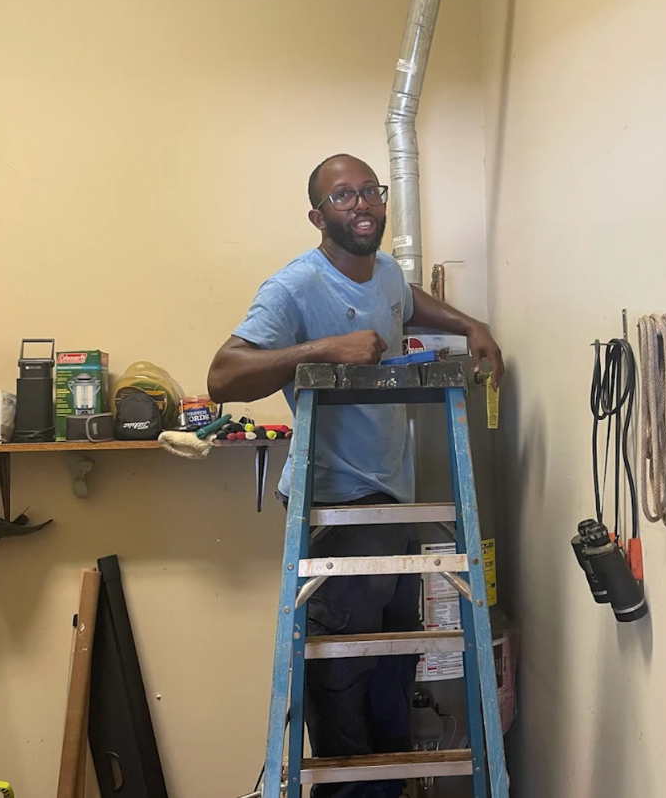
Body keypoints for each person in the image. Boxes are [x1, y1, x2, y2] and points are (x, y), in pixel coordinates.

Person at [208, 154, 504, 798]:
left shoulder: (388, 275)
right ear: (319, 217)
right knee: (345, 684)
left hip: (392, 505)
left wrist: (468, 324)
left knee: (394, 671)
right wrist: (318, 350)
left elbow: (404, 298)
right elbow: (224, 375)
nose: (362, 203)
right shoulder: (294, 287)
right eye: (344, 196)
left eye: (370, 190)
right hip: (338, 510)